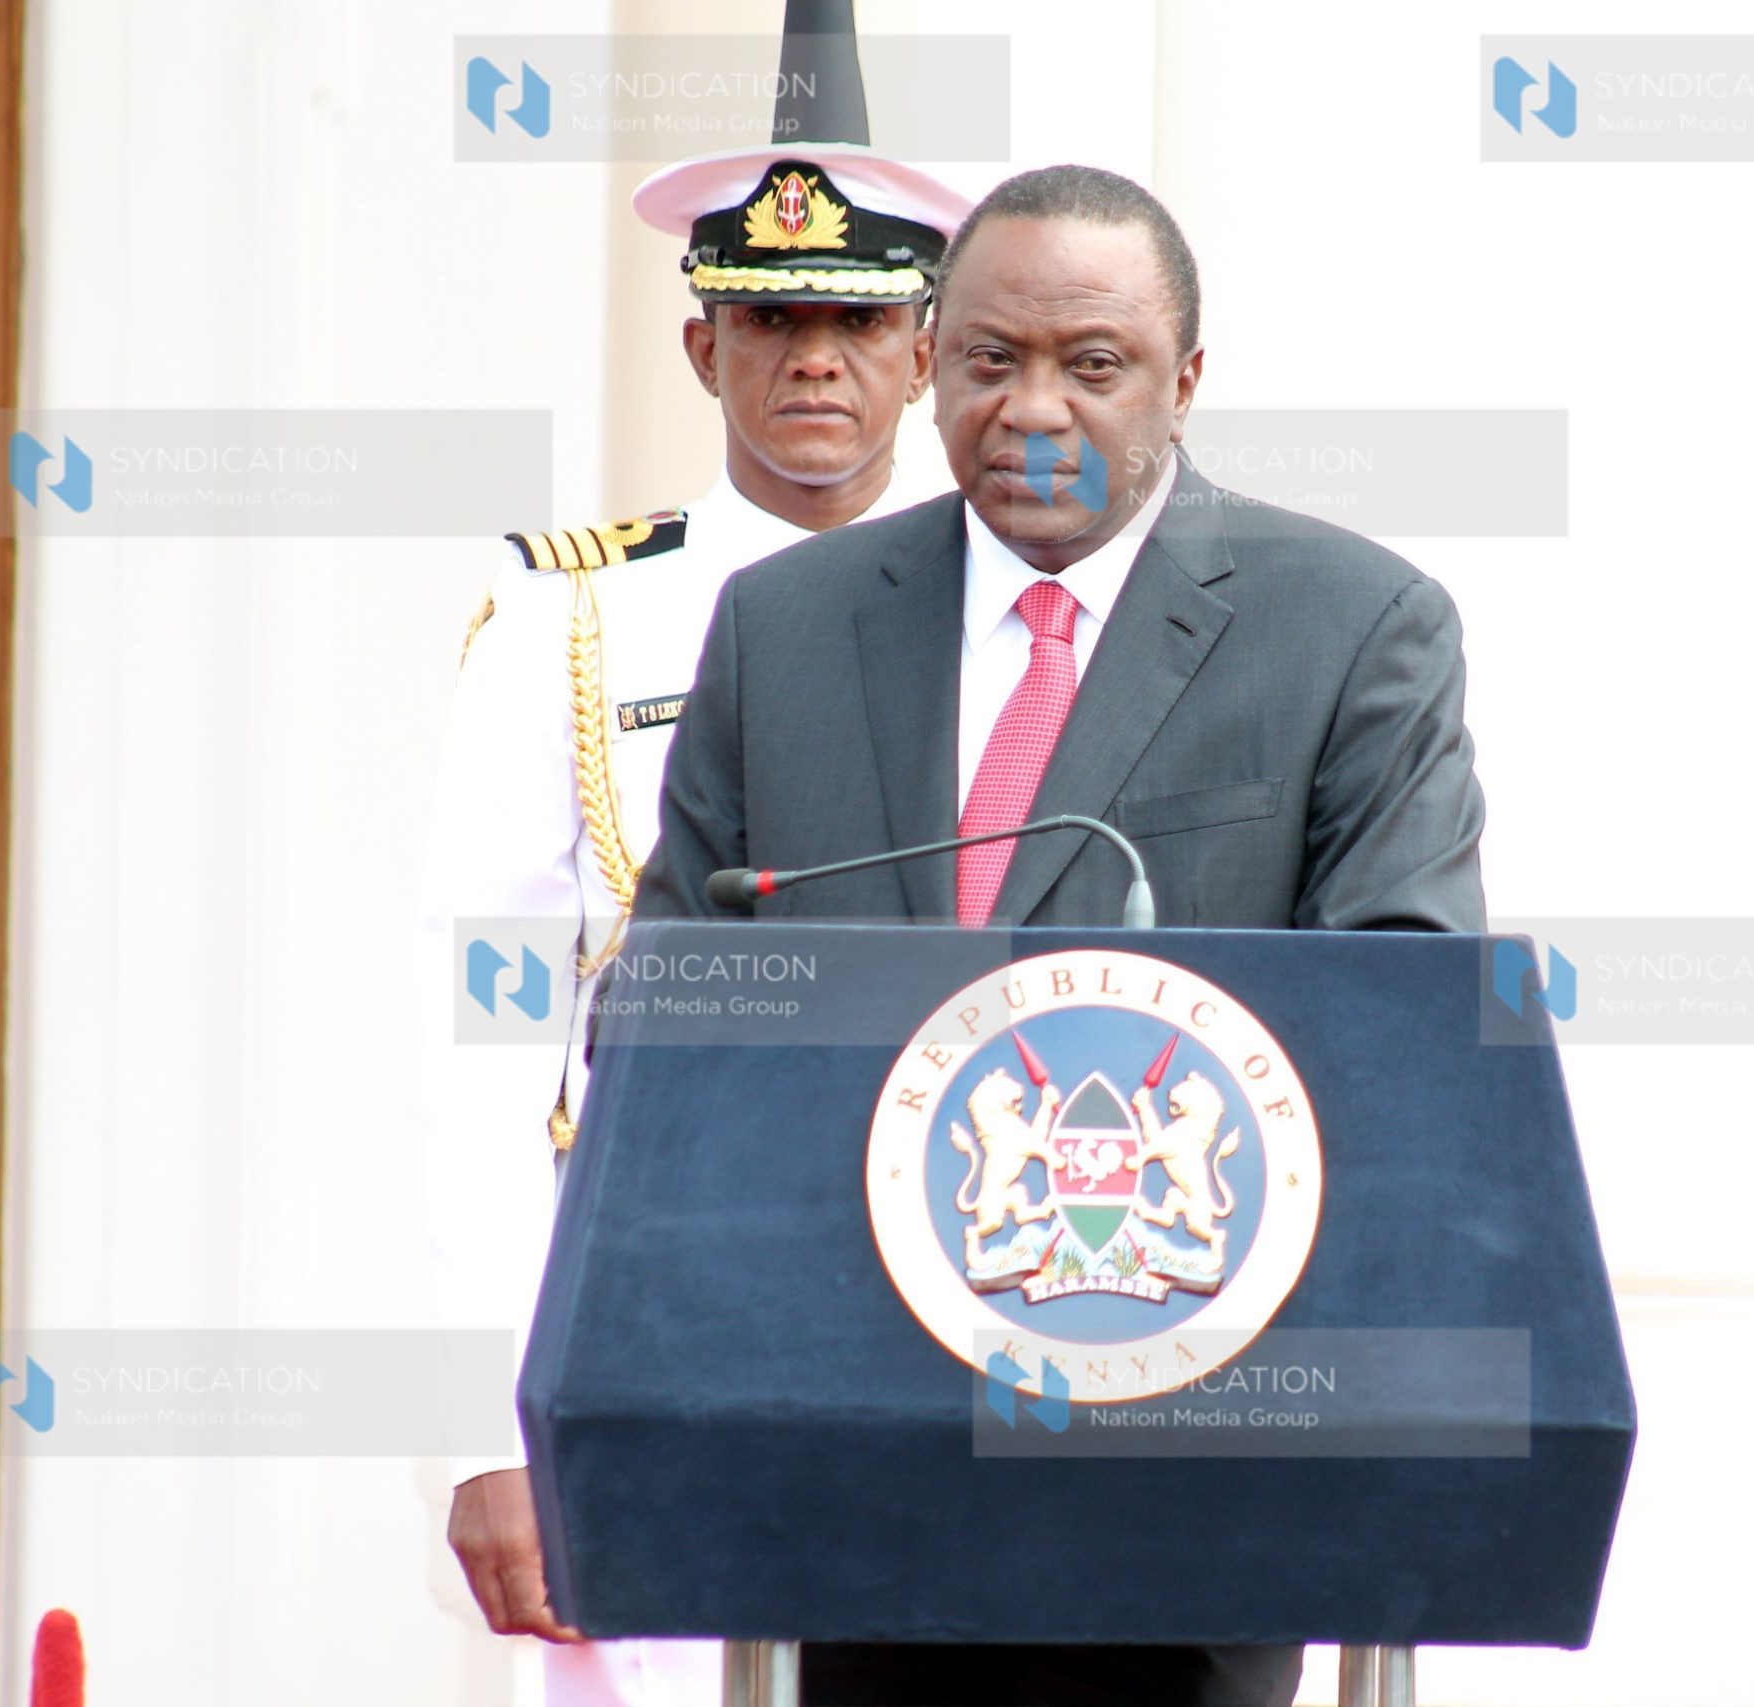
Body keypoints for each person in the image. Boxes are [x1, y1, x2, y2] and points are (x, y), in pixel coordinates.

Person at [633, 163, 1488, 1707]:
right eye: (987, 359)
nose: (1034, 409)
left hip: (1191, 1483)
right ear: (926, 359)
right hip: (846, 1461)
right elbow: (672, 1025)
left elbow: (1401, 1037)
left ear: (1186, 382)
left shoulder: (1353, 625)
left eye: (1092, 367)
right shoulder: (788, 626)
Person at [416, 108, 973, 1706]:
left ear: (924, 350)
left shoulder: (1011, 607)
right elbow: (482, 1043)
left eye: (859, 319)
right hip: (655, 1302)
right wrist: (487, 1425)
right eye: (770, 316)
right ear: (699, 342)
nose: (815, 360)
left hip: (953, 1303)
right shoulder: (569, 621)